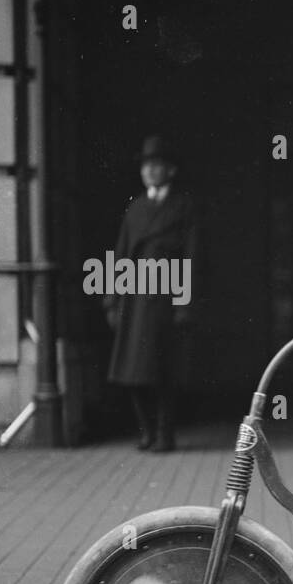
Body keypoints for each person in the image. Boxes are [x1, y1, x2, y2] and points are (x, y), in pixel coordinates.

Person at [104, 136, 200, 452]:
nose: (149, 171)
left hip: (166, 297)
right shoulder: (135, 208)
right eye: (146, 166)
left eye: (156, 165)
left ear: (170, 171)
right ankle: (146, 431)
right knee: (132, 371)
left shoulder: (184, 206)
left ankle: (165, 434)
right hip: (135, 298)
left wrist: (184, 303)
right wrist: (113, 300)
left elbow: (192, 255)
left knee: (162, 371)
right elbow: (120, 254)